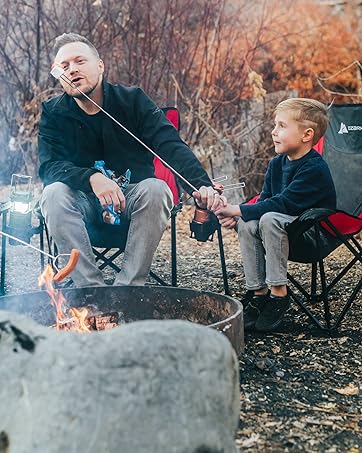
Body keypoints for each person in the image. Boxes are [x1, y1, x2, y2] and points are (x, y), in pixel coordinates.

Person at [39, 33, 222, 287]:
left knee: (157, 188)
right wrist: (92, 178)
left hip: (132, 202)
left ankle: (128, 292)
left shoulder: (133, 100)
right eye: (65, 66)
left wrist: (201, 186)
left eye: (80, 61)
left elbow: (169, 145)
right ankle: (91, 292)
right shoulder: (54, 113)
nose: (73, 70)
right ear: (58, 75)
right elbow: (49, 167)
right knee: (53, 193)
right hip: (84, 207)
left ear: (100, 66)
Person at [213, 98, 336, 332]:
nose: (273, 132)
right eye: (274, 125)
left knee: (269, 217)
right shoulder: (276, 164)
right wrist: (240, 216)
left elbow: (283, 203)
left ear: (306, 134)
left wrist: (238, 209)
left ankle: (279, 294)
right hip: (281, 236)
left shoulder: (314, 168)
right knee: (250, 223)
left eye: (281, 126)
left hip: (312, 238)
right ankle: (259, 293)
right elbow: (265, 201)